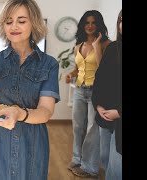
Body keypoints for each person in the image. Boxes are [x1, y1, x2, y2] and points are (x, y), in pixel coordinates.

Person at [0, 0, 60, 179]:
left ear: (34, 23)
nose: (14, 26)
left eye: (21, 21)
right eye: (8, 21)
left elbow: (45, 112)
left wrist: (19, 113)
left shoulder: (49, 64)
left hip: (32, 140)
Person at [65, 10, 111, 178]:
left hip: (96, 92)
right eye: (87, 22)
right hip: (79, 90)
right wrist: (71, 74)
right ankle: (77, 159)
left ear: (98, 24)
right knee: (78, 127)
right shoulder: (78, 46)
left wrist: (96, 45)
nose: (90, 26)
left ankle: (90, 166)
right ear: (83, 25)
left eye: (93, 22)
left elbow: (103, 69)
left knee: (93, 128)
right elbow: (79, 68)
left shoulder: (106, 45)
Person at [92, 9, 122, 179]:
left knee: (116, 168)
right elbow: (100, 79)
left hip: (118, 116)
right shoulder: (112, 49)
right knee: (106, 160)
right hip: (105, 115)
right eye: (121, 19)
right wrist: (99, 105)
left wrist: (119, 112)